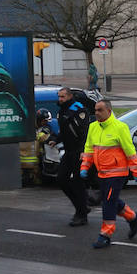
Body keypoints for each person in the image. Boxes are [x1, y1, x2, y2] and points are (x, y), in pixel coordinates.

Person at [80, 99, 137, 248]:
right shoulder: (93, 127)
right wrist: (85, 167)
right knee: (111, 200)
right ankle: (134, 218)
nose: (96, 113)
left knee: (108, 202)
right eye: (95, 110)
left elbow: (130, 150)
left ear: (109, 111)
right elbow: (89, 149)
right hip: (102, 173)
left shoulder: (120, 127)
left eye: (100, 110)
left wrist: (136, 171)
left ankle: (105, 235)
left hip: (117, 174)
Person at [56, 86, 93, 226]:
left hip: (79, 151)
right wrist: (55, 139)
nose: (60, 99)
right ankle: (81, 207)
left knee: (78, 183)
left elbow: (84, 132)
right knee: (61, 179)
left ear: (70, 96)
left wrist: (84, 150)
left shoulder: (79, 110)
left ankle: (82, 215)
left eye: (62, 97)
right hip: (69, 151)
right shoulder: (62, 110)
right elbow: (65, 131)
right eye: (59, 97)